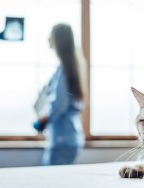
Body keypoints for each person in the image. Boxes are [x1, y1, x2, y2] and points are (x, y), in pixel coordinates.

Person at [34, 23, 85, 165]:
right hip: (67, 138)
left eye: (51, 35)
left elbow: (59, 105)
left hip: (62, 140)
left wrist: (42, 120)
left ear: (58, 40)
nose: (48, 39)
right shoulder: (69, 68)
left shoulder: (65, 71)